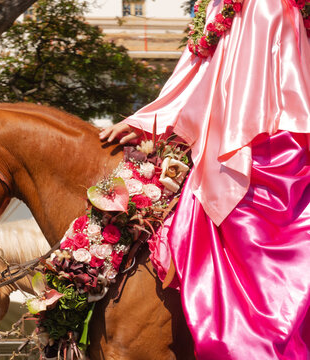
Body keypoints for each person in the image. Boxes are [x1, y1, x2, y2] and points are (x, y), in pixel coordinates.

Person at [100, 0, 310, 358]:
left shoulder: (262, 5)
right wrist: (148, 119)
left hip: (264, 139)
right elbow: (201, 69)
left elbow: (234, 82)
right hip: (253, 137)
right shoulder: (223, 4)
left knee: (242, 226)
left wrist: (152, 119)